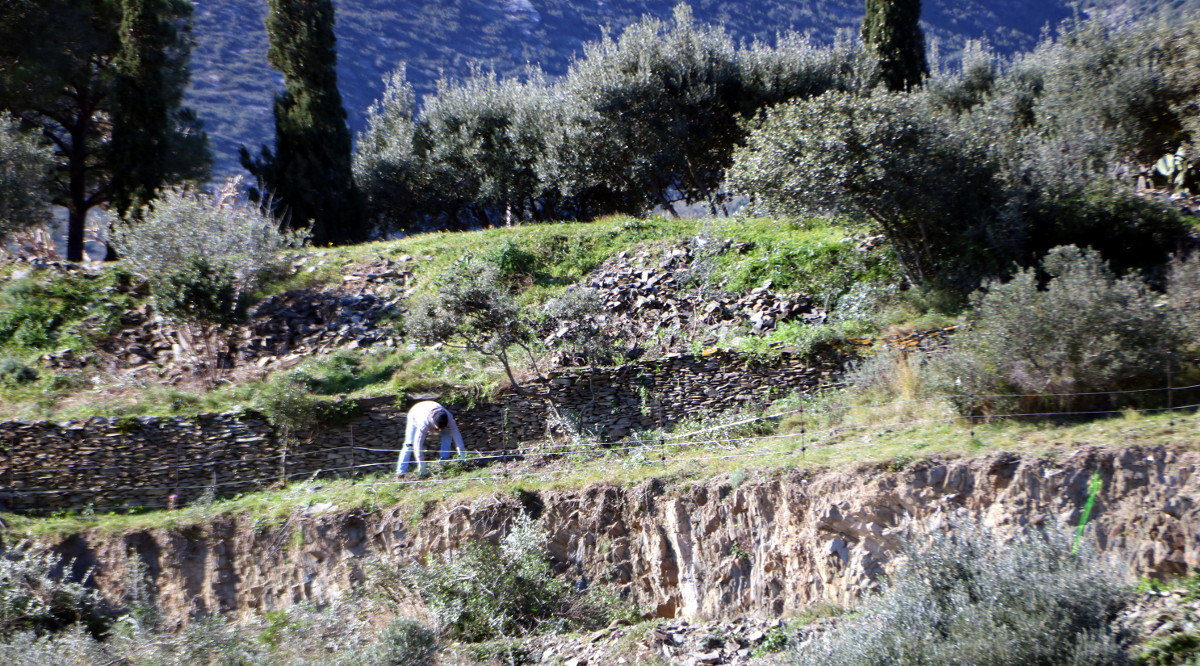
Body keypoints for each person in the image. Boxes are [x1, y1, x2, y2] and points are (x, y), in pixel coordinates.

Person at [395, 400, 466, 477]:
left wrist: (462, 453)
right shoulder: (423, 423)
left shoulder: (449, 418)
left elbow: (456, 435)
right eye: (438, 428)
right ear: (434, 423)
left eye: (442, 428)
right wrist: (421, 464)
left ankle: (444, 461)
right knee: (409, 444)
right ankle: (400, 472)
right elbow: (418, 443)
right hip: (415, 413)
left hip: (432, 407)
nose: (439, 431)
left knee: (447, 434)